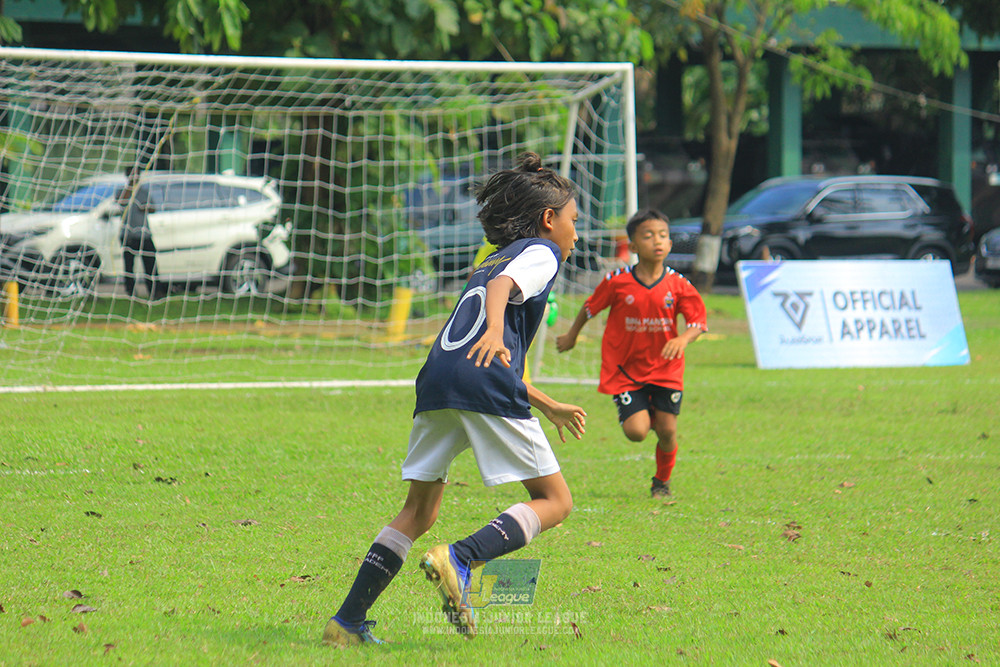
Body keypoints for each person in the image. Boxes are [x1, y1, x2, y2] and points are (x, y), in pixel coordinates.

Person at [323, 152, 587, 646]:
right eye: (574, 221)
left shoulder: (491, 259)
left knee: (418, 512)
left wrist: (545, 403)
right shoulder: (540, 252)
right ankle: (462, 559)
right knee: (555, 500)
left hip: (439, 381)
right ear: (549, 220)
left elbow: (482, 346)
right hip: (480, 381)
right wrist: (494, 327)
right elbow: (502, 303)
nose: (576, 232)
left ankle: (346, 623)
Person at [556, 209, 707, 498]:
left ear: (670, 244)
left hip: (666, 369)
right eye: (648, 236)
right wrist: (572, 335)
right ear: (634, 246)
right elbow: (590, 307)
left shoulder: (678, 284)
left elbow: (698, 322)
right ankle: (646, 410)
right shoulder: (616, 281)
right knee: (636, 432)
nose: (657, 241)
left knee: (667, 433)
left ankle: (661, 482)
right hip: (626, 370)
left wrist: (684, 339)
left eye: (663, 235)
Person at [119, 170, 162, 298]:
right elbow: (120, 202)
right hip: (128, 234)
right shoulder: (123, 190)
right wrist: (130, 187)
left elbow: (153, 208)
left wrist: (145, 208)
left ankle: (155, 291)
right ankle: (131, 292)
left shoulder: (143, 191)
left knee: (150, 263)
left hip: (144, 234)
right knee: (129, 265)